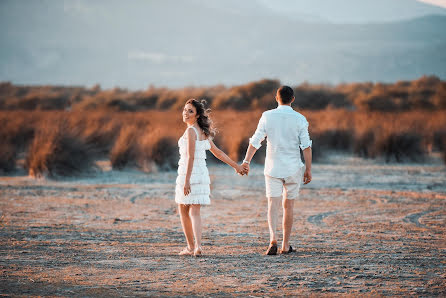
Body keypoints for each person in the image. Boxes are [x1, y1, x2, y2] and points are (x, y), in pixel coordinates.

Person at [241, 86, 312, 255]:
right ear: (292, 99)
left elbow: (256, 141)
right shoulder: (300, 119)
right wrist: (308, 169)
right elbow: (306, 146)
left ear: (276, 98)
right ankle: (285, 245)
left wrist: (246, 161)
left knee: (272, 204)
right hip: (293, 167)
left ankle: (273, 238)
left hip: (272, 167)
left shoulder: (267, 116)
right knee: (289, 206)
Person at [175, 99, 245, 256]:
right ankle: (197, 246)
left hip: (189, 173)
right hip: (201, 174)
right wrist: (237, 166)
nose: (186, 113)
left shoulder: (191, 131)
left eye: (190, 111)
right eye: (185, 110)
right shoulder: (203, 132)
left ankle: (191, 247)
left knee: (184, 210)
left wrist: (186, 181)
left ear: (198, 115)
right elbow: (218, 152)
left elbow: (191, 157)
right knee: (195, 211)